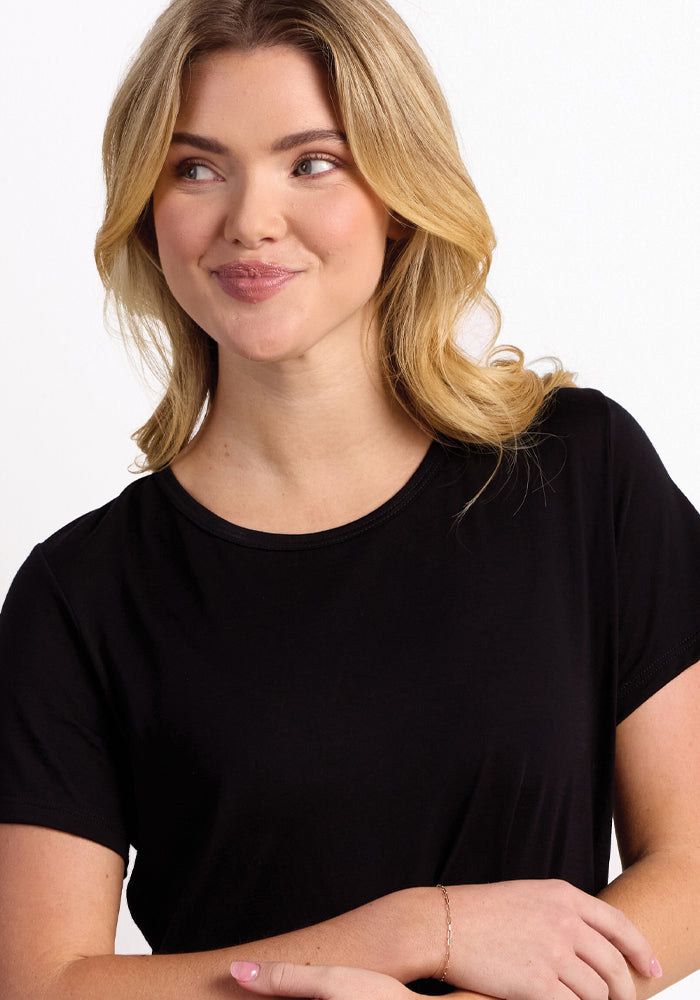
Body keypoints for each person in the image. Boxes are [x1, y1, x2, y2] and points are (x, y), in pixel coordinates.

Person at [1, 1, 699, 999]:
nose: (250, 218)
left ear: (398, 189)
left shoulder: (579, 473)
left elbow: (694, 864)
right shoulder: (81, 593)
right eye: (196, 166)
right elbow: (40, 983)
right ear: (147, 204)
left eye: (311, 161)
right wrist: (416, 928)